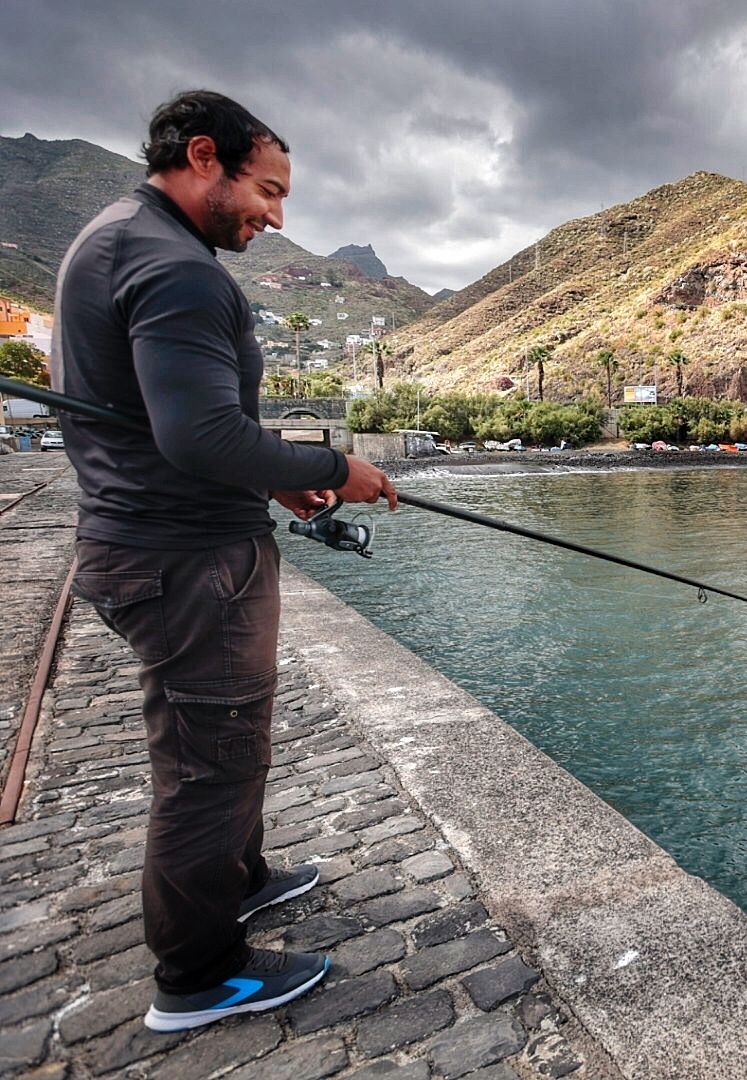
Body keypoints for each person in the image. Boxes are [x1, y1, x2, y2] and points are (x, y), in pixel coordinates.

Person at [51, 90, 398, 1032]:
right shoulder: (175, 269)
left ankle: (239, 880)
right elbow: (203, 435)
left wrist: (275, 482)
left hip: (159, 546)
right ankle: (201, 977)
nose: (277, 217)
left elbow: (182, 427)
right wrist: (333, 467)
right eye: (269, 190)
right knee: (212, 762)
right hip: (188, 560)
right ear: (204, 155)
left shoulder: (120, 239)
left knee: (215, 743)